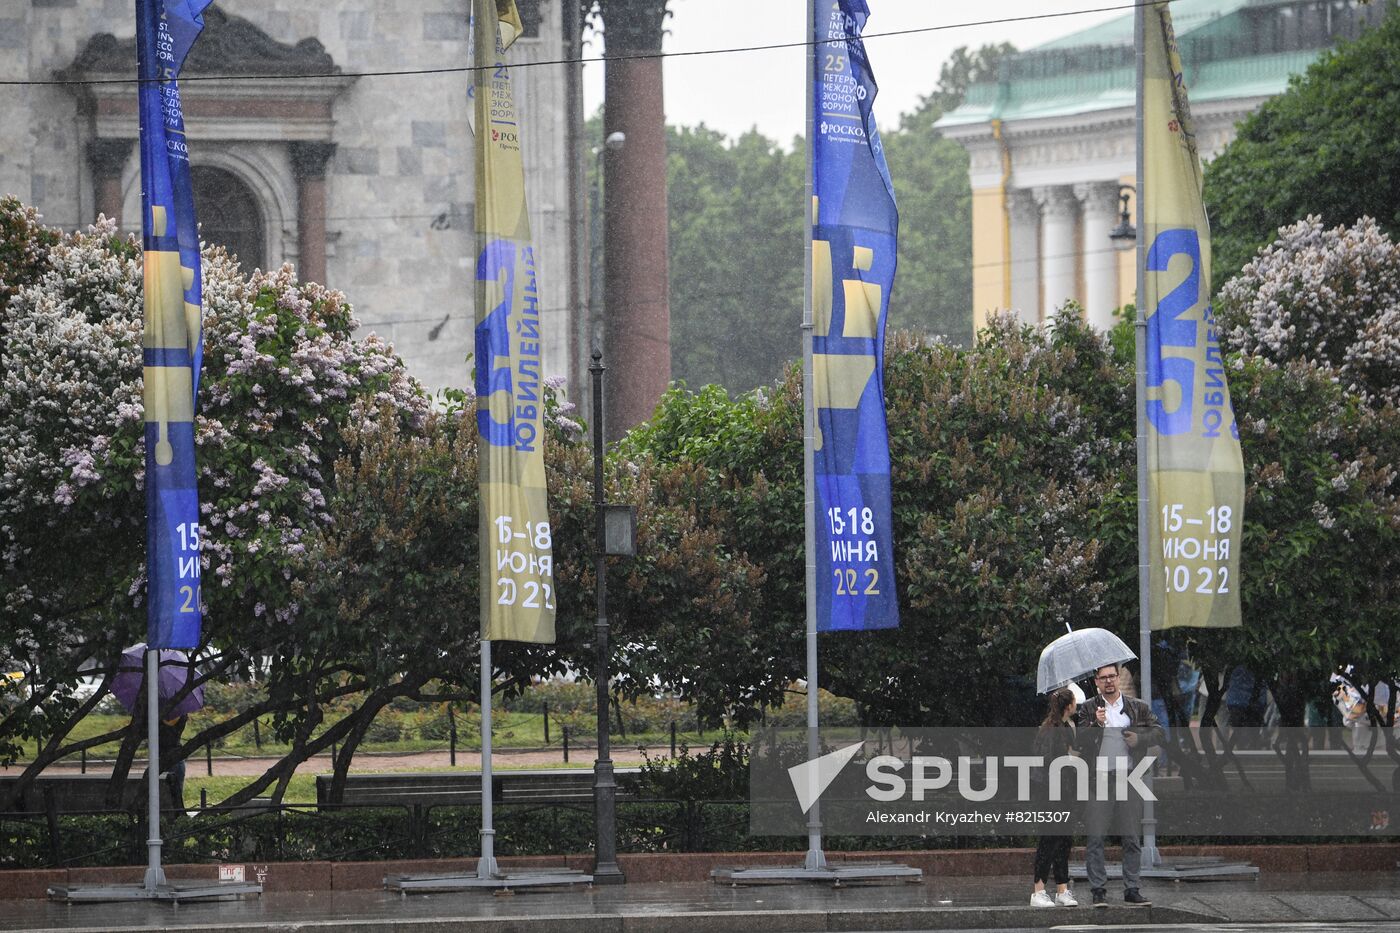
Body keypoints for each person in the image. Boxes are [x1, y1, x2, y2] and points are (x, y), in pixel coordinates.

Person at [1077, 663, 1164, 908]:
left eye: (1112, 676)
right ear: (1096, 681)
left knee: (1131, 836)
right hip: (1100, 778)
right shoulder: (1089, 708)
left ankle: (1132, 888)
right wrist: (1095, 724)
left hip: (1128, 777)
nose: (1109, 681)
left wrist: (1140, 739)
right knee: (1095, 836)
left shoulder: (1137, 707)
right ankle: (1098, 890)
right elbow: (1079, 739)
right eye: (1103, 678)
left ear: (1118, 678)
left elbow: (1159, 733)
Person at [1029, 687, 1080, 908]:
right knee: (1049, 839)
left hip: (1064, 791)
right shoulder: (1051, 729)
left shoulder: (1067, 726)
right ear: (1068, 706)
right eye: (1075, 702)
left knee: (1064, 840)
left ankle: (1062, 888)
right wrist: (1069, 757)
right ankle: (1038, 890)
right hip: (1049, 792)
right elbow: (1048, 759)